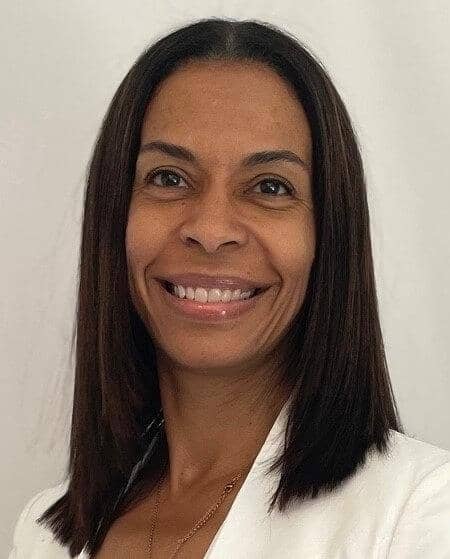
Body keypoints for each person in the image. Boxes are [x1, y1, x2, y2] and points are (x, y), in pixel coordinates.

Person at [8, 17, 450, 559]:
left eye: (270, 186)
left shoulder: (423, 513)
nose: (211, 229)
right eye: (169, 178)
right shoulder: (45, 534)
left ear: (327, 237)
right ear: (115, 217)